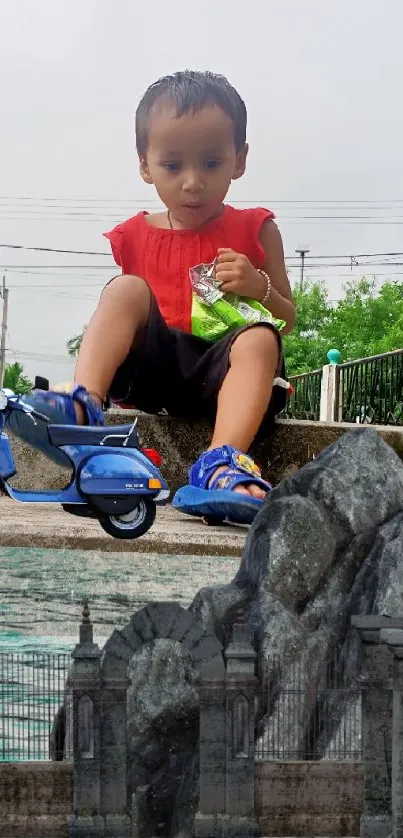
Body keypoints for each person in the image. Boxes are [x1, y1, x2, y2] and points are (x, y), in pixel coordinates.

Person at [8, 70, 295, 525]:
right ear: (145, 164)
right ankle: (85, 404)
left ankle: (220, 462)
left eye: (212, 163)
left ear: (239, 160)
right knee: (124, 289)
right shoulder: (134, 235)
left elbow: (288, 317)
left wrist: (260, 287)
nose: (193, 182)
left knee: (260, 338)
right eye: (174, 165)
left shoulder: (257, 229)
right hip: (158, 370)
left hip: (227, 373)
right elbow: (131, 320)